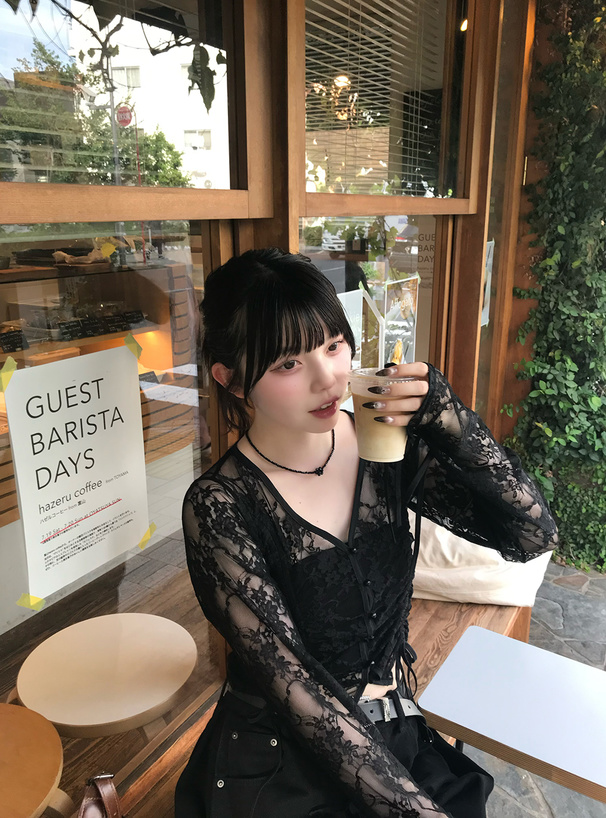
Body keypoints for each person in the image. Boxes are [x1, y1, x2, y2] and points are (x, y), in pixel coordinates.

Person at [176, 248, 558, 818]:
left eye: (333, 345)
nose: (328, 377)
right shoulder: (219, 507)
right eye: (288, 364)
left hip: (390, 730)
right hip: (283, 762)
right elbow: (298, 689)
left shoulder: (383, 447)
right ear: (230, 381)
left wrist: (444, 415)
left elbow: (531, 533)